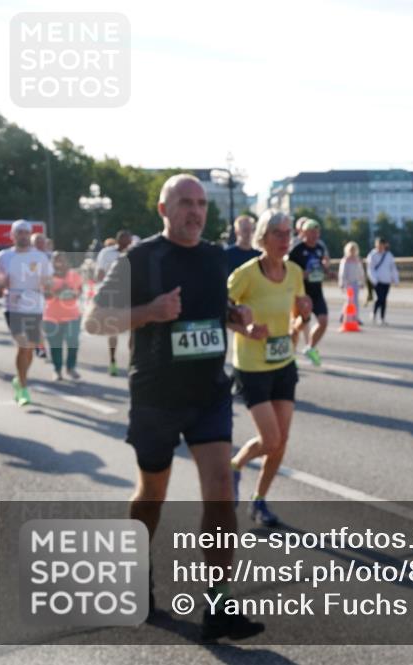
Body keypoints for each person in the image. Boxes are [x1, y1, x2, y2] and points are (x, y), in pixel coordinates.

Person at [84, 173, 263, 640]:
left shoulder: (214, 257)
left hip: (208, 392)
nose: (196, 211)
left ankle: (219, 604)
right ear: (164, 210)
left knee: (221, 488)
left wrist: (236, 319)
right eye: (185, 202)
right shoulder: (139, 259)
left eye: (201, 203)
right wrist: (148, 312)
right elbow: (94, 321)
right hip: (157, 396)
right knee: (151, 495)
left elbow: (212, 307)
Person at [227, 211, 311, 527]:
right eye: (277, 233)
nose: (284, 239)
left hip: (283, 362)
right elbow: (220, 310)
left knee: (281, 441)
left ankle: (259, 500)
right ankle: (235, 465)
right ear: (262, 238)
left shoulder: (294, 272)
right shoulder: (245, 274)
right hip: (251, 366)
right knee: (271, 439)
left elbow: (298, 317)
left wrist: (304, 315)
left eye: (288, 233)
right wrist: (245, 330)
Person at [0, 221, 53, 406]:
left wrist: (47, 286)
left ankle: (20, 379)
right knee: (23, 345)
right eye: (20, 232)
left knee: (29, 349)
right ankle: (24, 387)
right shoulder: (4, 256)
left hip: (35, 306)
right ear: (12, 235)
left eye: (26, 232)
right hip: (13, 307)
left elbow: (48, 280)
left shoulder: (40, 257)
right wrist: (1, 282)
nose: (24, 235)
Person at [287, 218, 330, 365]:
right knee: (297, 326)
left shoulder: (320, 248)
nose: (315, 236)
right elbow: (287, 270)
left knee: (323, 322)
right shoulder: (297, 250)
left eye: (317, 233)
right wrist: (302, 274)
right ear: (304, 233)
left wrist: (326, 270)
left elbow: (322, 265)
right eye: (311, 232)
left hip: (317, 291)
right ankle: (290, 355)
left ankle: (310, 347)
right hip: (301, 293)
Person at [96, 230, 134, 376]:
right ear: (119, 242)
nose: (128, 245)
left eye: (129, 242)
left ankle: (132, 360)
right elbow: (100, 274)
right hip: (113, 295)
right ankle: (112, 360)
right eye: (125, 242)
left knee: (133, 329)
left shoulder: (135, 253)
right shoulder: (107, 253)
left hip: (130, 294)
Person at [43, 252, 84, 381]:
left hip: (72, 316)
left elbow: (79, 291)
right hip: (51, 317)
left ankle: (71, 368)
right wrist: (60, 291)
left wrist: (73, 293)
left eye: (62, 260)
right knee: (55, 345)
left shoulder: (74, 275)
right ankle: (57, 370)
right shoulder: (47, 277)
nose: (59, 263)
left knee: (73, 343)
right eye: (56, 260)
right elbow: (46, 296)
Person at [366, 236, 399, 326]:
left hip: (386, 281)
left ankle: (382, 318)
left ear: (384, 245)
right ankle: (374, 313)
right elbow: (370, 269)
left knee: (384, 300)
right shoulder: (372, 255)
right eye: (378, 245)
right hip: (377, 281)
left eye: (381, 245)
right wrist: (374, 279)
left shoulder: (389, 255)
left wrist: (396, 279)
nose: (380, 247)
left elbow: (393, 268)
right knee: (379, 298)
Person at [338, 241, 366, 325]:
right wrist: (342, 284)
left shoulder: (357, 260)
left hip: (355, 283)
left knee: (355, 301)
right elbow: (342, 273)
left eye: (354, 250)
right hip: (348, 283)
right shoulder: (345, 260)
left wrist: (362, 281)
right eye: (351, 250)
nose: (352, 252)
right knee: (350, 300)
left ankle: (355, 317)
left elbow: (361, 272)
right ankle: (346, 315)